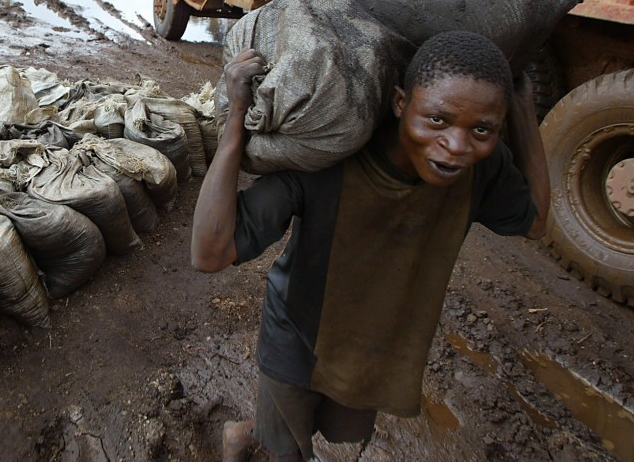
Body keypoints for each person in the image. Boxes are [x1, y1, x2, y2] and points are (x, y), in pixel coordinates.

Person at [191, 31, 550, 462]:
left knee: (335, 438)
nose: (457, 147)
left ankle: (249, 433)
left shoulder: (482, 169)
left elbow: (533, 222)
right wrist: (236, 114)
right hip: (298, 337)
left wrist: (525, 111)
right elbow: (210, 252)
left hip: (378, 349)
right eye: (437, 119)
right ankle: (243, 438)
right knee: (285, 451)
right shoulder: (329, 159)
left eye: (481, 129)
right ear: (400, 103)